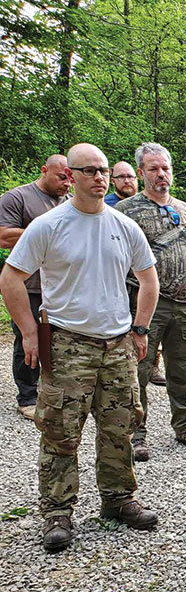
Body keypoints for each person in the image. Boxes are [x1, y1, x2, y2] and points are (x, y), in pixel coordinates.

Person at [0, 144, 160, 553]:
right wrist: (30, 333)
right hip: (69, 344)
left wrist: (139, 329)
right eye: (88, 171)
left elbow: (149, 279)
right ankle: (57, 513)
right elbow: (11, 278)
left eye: (104, 170)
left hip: (118, 345)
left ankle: (119, 499)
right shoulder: (49, 225)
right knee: (59, 431)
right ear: (70, 176)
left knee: (119, 428)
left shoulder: (124, 226)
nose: (99, 177)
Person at [116, 143, 186, 461]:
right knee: (139, 370)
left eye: (166, 168)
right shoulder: (125, 211)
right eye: (154, 168)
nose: (161, 174)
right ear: (141, 172)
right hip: (146, 305)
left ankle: (185, 425)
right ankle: (136, 434)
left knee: (182, 368)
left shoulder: (185, 209)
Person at [0, 154, 72, 419]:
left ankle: (56, 390)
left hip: (62, 285)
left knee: (62, 339)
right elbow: (3, 236)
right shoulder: (17, 198)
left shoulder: (69, 202)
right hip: (28, 284)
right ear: (44, 171)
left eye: (70, 179)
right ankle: (27, 396)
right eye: (61, 177)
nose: (67, 184)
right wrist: (44, 231)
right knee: (26, 338)